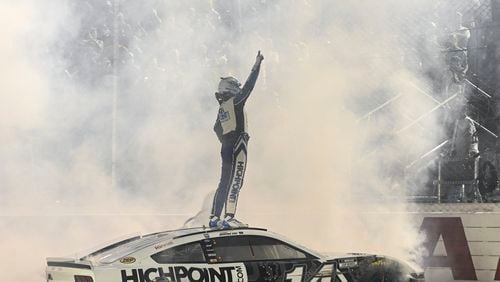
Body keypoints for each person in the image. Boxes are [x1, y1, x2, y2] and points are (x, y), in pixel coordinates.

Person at [209, 51, 264, 229]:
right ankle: (230, 217)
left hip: (226, 145)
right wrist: (257, 65)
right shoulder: (236, 102)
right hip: (238, 143)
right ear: (232, 89)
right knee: (236, 179)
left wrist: (225, 141)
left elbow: (216, 128)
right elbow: (249, 86)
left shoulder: (222, 107)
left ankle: (214, 217)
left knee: (224, 181)